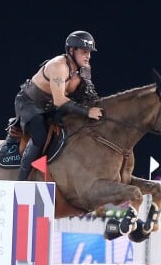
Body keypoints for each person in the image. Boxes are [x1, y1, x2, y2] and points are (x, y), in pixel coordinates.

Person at [14, 30, 103, 180]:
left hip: (51, 108)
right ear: (71, 50)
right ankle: (21, 180)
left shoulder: (85, 70)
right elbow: (60, 100)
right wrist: (87, 112)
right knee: (40, 135)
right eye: (84, 52)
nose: (88, 56)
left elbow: (89, 98)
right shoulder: (58, 66)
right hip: (29, 104)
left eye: (89, 52)